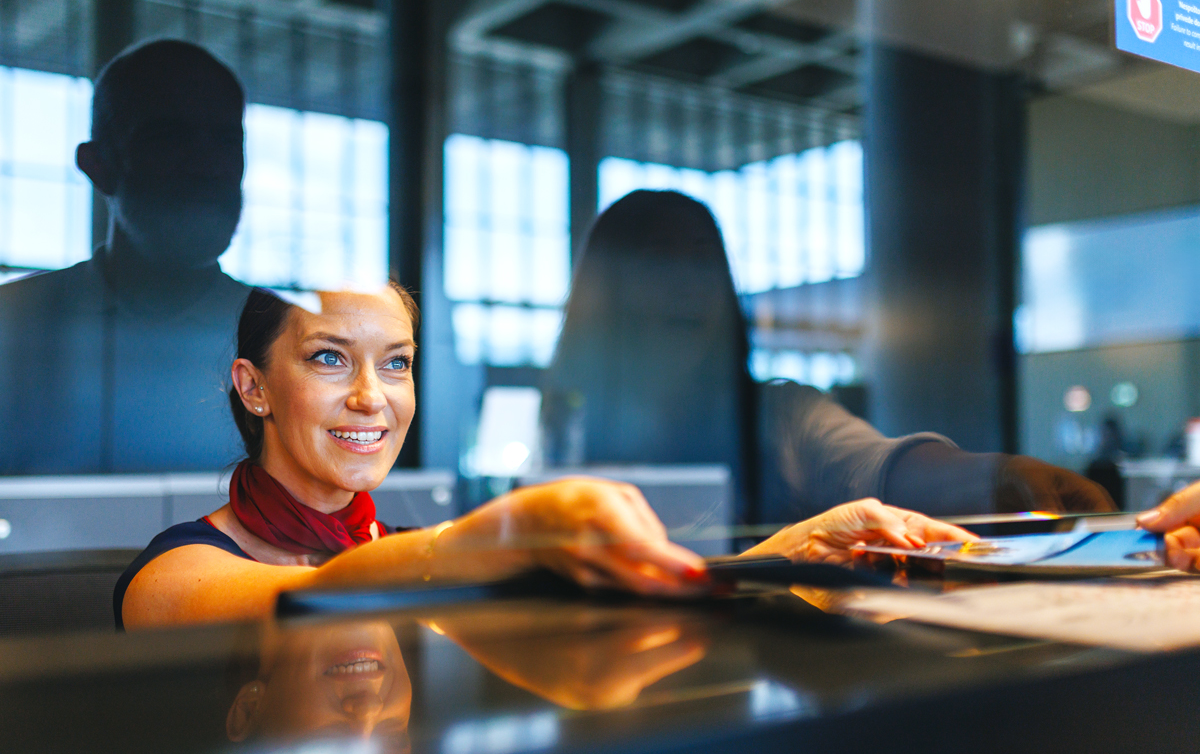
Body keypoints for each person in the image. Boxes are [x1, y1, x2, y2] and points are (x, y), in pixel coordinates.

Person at [115, 284, 974, 629]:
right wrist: (501, 539)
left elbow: (602, 603)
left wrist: (787, 555)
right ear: (254, 387)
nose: (373, 398)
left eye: (397, 363)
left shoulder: (396, 549)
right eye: (329, 359)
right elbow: (302, 600)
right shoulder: (178, 569)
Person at [541, 190, 1114, 525]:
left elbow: (875, 465)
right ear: (605, 292)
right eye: (658, 259)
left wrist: (998, 478)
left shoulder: (778, 415)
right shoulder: (567, 422)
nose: (689, 284)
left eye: (702, 260)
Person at [0, 39, 251, 473]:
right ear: (98, 165)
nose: (208, 166)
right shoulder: (10, 327)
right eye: (167, 138)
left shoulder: (294, 343)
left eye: (227, 141)